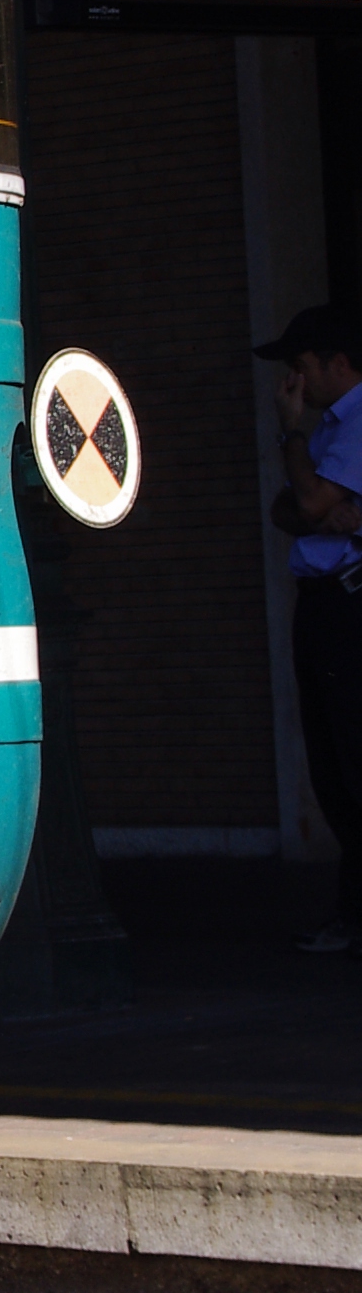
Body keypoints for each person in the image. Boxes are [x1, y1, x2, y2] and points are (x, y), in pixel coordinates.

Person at [258, 304, 362, 954]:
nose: (294, 383)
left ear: (337, 362)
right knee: (333, 765)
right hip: (324, 601)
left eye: (301, 368)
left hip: (348, 604)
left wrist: (289, 433)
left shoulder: (350, 422)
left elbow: (312, 502)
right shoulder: (334, 428)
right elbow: (292, 508)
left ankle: (353, 917)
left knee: (350, 763)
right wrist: (314, 503)